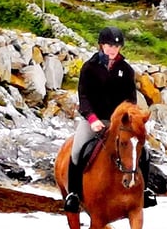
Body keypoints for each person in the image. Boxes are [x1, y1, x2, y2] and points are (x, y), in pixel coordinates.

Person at [64, 26, 157, 213]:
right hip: (94, 120)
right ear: (101, 45)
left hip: (120, 123)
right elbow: (83, 98)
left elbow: (130, 100)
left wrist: (129, 121)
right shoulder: (89, 67)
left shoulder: (127, 70)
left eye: (116, 46)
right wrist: (92, 119)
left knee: (144, 152)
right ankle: (73, 194)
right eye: (108, 45)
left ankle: (145, 191)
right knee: (77, 151)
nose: (112, 49)